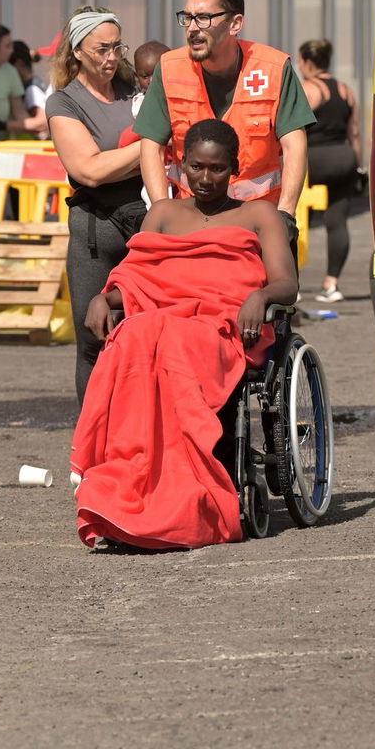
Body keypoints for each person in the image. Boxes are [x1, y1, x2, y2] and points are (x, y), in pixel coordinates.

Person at [71, 119, 298, 551]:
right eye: (196, 167)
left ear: (235, 167)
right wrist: (106, 298)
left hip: (221, 327)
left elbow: (287, 283)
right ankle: (124, 495)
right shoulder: (163, 213)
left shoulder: (258, 214)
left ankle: (183, 502)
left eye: (216, 169)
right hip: (163, 322)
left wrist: (260, 295)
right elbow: (138, 276)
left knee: (163, 337)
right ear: (180, 165)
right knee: (134, 335)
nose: (206, 178)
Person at [134, 0, 316, 253]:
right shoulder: (170, 69)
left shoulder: (273, 69)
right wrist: (163, 211)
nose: (193, 28)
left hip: (259, 227)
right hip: (192, 226)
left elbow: (295, 144)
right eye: (188, 18)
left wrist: (285, 216)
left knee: (270, 295)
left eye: (204, 18)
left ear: (235, 24)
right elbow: (151, 145)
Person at [45, 7, 146, 405]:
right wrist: (150, 147)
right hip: (96, 233)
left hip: (147, 228)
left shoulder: (136, 88)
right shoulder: (64, 104)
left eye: (117, 47)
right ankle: (91, 449)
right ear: (76, 52)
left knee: (149, 337)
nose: (112, 57)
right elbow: (88, 170)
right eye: (101, 49)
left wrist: (122, 162)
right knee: (93, 342)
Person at [296, 38, 362, 303]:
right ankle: (332, 285)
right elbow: (354, 132)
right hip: (343, 158)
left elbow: (292, 127)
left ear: (307, 62)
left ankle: (294, 285)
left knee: (298, 221)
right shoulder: (346, 90)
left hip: (313, 160)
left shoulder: (308, 90)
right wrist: (357, 166)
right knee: (337, 221)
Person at [10, 40, 50, 139]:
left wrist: (5, 125)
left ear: (19, 63)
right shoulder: (34, 83)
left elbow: (41, 122)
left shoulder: (32, 89)